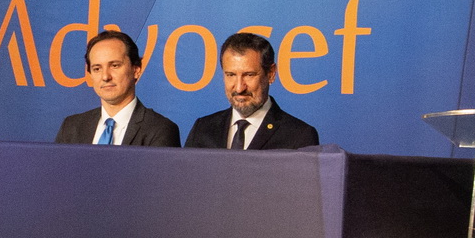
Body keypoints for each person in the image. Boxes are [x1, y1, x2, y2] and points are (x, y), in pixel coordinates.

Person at [184, 31, 320, 150]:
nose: (239, 88)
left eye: (249, 75)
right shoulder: (202, 129)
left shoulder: (299, 136)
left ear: (271, 74)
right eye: (231, 75)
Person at [56, 30, 181, 146]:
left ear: (136, 70)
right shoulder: (71, 127)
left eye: (115, 66)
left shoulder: (160, 129)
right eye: (97, 69)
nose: (105, 76)